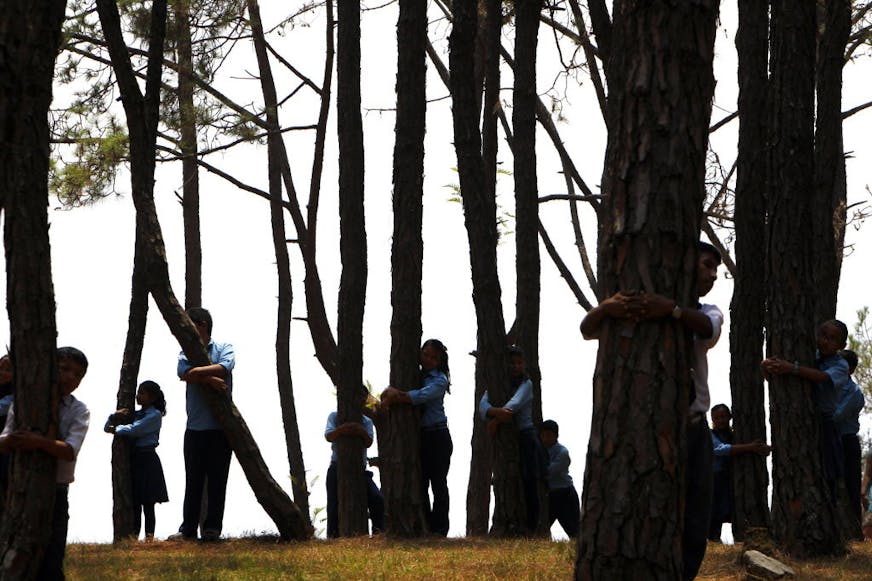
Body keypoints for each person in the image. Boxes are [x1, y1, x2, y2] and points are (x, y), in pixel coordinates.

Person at [580, 240, 723, 581]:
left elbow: (708, 329)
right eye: (706, 265)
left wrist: (671, 310)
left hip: (692, 428)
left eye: (716, 269)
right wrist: (606, 308)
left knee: (697, 506)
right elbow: (588, 329)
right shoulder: (630, 306)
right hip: (639, 427)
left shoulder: (708, 311)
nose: (713, 274)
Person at [0, 346, 90, 580]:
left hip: (56, 492)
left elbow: (70, 450)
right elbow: (4, 440)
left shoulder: (79, 410)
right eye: (64, 369)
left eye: (78, 375)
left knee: (51, 560)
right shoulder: (23, 403)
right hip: (20, 489)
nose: (71, 377)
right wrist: (13, 440)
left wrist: (38, 442)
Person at [761, 319, 850, 501]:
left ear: (841, 345)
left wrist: (792, 368)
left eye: (832, 339)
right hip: (799, 418)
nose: (825, 341)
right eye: (823, 335)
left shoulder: (841, 366)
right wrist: (765, 367)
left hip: (825, 422)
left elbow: (822, 377)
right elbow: (781, 386)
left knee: (828, 470)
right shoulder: (811, 355)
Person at [170, 307, 235, 542]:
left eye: (190, 324)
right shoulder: (184, 352)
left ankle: (212, 529)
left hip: (221, 430)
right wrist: (208, 379)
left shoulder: (224, 348)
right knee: (193, 481)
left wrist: (196, 373)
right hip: (195, 429)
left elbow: (224, 367)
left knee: (218, 482)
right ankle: (188, 529)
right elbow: (182, 372)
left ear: (203, 325)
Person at [380, 339, 453, 536]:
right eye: (426, 355)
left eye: (434, 358)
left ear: (440, 361)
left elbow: (421, 396)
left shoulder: (440, 380)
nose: (429, 360)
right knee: (421, 482)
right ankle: (425, 525)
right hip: (421, 437)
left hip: (438, 435)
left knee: (438, 483)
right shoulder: (415, 375)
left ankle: (440, 528)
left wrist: (397, 395)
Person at [479, 344, 546, 533]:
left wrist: (494, 421)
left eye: (519, 363)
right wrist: (495, 416)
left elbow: (513, 406)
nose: (515, 367)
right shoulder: (497, 385)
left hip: (525, 435)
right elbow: (483, 406)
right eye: (511, 363)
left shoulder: (527, 384)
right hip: (507, 436)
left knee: (528, 479)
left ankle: (532, 526)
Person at [104, 380, 170, 541]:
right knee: (135, 500)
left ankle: (149, 537)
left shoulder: (154, 415)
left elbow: (135, 430)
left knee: (148, 501)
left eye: (142, 393)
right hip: (136, 458)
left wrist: (116, 429)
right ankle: (134, 535)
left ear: (152, 397)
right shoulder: (137, 413)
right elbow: (107, 428)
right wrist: (113, 417)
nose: (137, 396)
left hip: (147, 458)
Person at [325, 384, 385, 538]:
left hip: (360, 470)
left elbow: (369, 441)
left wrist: (360, 431)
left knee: (377, 500)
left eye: (362, 398)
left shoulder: (366, 421)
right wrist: (343, 429)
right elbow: (329, 436)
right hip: (336, 467)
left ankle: (379, 534)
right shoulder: (334, 416)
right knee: (333, 507)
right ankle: (333, 539)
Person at [708, 403, 771, 542]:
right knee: (714, 511)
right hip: (714, 479)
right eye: (717, 418)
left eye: (724, 416)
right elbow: (719, 449)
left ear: (730, 417)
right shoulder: (709, 435)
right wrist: (750, 447)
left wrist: (765, 448)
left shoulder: (736, 435)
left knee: (732, 509)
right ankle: (713, 539)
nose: (721, 420)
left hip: (731, 477)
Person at [834, 349, 864, 534]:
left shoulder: (854, 393)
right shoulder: (828, 385)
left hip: (846, 442)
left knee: (851, 485)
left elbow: (836, 416)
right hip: (831, 440)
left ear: (851, 370)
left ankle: (855, 532)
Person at [539, 419, 580, 538]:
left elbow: (548, 472)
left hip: (566, 495)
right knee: (541, 529)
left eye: (549, 436)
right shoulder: (540, 450)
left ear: (556, 436)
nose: (545, 439)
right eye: (543, 436)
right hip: (550, 496)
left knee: (574, 531)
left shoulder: (563, 453)